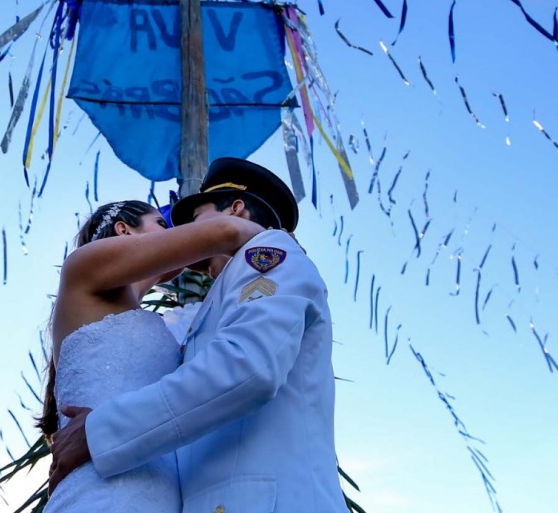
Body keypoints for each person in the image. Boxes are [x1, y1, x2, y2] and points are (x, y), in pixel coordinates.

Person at [49, 157, 348, 513]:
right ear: (124, 231)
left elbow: (246, 367)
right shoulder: (95, 275)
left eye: (194, 219)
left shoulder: (268, 256)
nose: (182, 234)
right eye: (166, 224)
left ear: (235, 209)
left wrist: (100, 432)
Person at [40, 198, 265, 512]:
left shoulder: (162, 327)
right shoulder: (84, 264)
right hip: (101, 495)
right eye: (162, 224)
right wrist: (276, 241)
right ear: (123, 229)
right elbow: (225, 230)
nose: (172, 233)